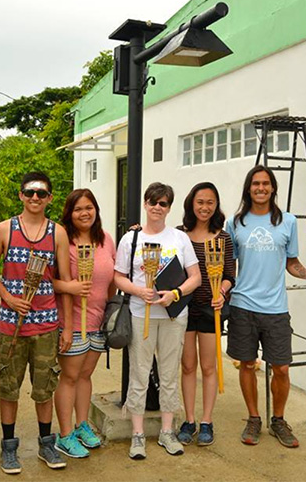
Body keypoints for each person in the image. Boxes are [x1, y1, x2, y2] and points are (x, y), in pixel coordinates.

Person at [225, 165, 306, 448]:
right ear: (248, 188)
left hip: (276, 308)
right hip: (243, 305)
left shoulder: (289, 222)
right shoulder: (235, 223)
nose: (261, 188)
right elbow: (228, 264)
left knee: (281, 368)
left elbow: (292, 263)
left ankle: (278, 420)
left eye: (266, 184)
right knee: (246, 364)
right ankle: (253, 418)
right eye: (255, 183)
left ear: (273, 188)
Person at [0, 172, 73, 474]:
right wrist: (8, 298)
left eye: (41, 193)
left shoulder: (57, 233)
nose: (35, 198)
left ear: (49, 198)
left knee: (45, 388)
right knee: (8, 387)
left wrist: (69, 327)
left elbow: (62, 282)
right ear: (21, 195)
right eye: (29, 192)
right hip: (11, 325)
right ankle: (8, 446)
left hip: (47, 325)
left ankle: (46, 443)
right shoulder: (3, 229)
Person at [113, 182, 201, 460]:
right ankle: (137, 434)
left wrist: (175, 293)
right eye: (153, 202)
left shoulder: (179, 238)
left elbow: (195, 277)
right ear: (145, 203)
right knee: (139, 373)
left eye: (163, 203)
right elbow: (118, 276)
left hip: (174, 316)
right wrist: (139, 290)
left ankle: (167, 431)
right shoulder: (131, 240)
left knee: (169, 373)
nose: (157, 207)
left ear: (169, 208)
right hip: (141, 314)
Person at [52, 189, 116, 458]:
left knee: (86, 376)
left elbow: (113, 279)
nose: (84, 213)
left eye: (89, 207)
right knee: (69, 377)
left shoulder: (106, 240)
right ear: (69, 213)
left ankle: (82, 425)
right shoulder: (63, 240)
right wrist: (71, 286)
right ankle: (64, 434)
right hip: (72, 321)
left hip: (98, 321)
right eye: (78, 209)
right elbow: (48, 282)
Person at [177, 182, 236, 447]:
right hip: (184, 308)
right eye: (200, 202)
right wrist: (135, 231)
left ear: (216, 206)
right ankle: (189, 419)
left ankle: (206, 421)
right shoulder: (179, 234)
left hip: (210, 310)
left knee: (208, 366)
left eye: (210, 202)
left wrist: (221, 293)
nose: (205, 207)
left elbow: (230, 276)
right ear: (192, 203)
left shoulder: (223, 239)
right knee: (188, 365)